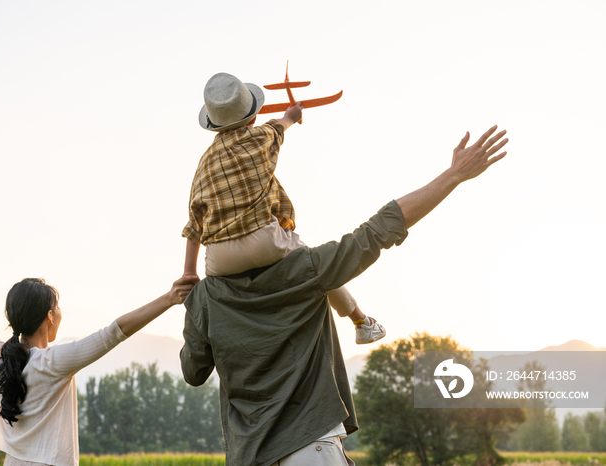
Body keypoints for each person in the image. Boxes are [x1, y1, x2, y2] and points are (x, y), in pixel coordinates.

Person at [181, 125, 509, 466]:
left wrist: (191, 307)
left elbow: (193, 373)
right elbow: (378, 229)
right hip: (310, 447)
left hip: (249, 457)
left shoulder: (204, 298)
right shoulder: (305, 269)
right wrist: (453, 175)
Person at [0, 249, 198, 466]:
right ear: (50, 316)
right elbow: (114, 333)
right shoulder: (52, 363)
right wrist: (169, 298)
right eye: (57, 307)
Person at [182, 72, 385, 345]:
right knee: (316, 266)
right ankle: (362, 322)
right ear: (252, 117)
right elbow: (283, 122)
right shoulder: (261, 136)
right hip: (264, 241)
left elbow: (195, 222)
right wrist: (294, 113)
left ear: (213, 125)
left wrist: (189, 272)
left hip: (219, 259)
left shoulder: (204, 162)